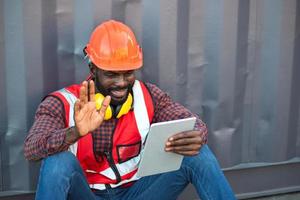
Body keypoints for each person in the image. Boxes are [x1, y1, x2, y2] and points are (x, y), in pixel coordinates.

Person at [24, 20, 236, 200]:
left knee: (198, 154)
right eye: (111, 74)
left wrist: (197, 134)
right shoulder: (62, 102)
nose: (121, 83)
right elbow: (32, 149)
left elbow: (187, 119)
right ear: (93, 69)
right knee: (58, 162)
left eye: (128, 73)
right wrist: (75, 132)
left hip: (138, 192)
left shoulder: (149, 96)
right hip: (87, 194)